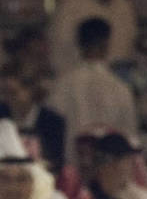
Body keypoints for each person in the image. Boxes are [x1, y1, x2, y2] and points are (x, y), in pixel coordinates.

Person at [47, 17, 138, 158]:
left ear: (79, 44)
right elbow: (129, 134)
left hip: (73, 164)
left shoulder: (63, 85)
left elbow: (53, 132)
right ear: (107, 45)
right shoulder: (120, 88)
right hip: (109, 165)